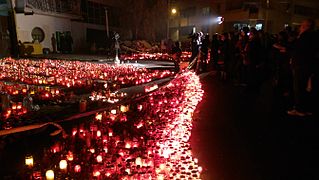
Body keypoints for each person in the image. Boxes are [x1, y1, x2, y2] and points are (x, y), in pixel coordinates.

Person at [287, 19, 317, 116]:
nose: (300, 27)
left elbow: (298, 50)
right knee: (305, 89)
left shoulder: (304, 37)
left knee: (299, 88)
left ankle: (299, 109)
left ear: (306, 26)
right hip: (307, 66)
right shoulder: (313, 36)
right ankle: (305, 108)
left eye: (301, 25)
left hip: (300, 66)